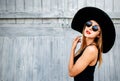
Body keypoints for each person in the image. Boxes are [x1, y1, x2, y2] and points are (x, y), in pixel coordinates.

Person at [68, 7, 116, 81]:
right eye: (89, 23)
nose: (90, 28)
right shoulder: (86, 47)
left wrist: (73, 48)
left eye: (95, 28)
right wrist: (73, 48)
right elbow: (72, 69)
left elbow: (71, 73)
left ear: (98, 35)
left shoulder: (91, 49)